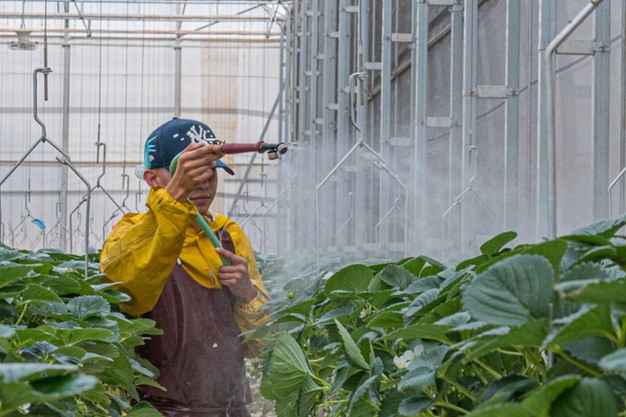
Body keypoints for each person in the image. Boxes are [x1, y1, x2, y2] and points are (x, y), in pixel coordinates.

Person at [99, 117, 271, 417]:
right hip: (158, 410)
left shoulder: (229, 236)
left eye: (210, 172)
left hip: (230, 410)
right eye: (190, 173)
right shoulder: (132, 234)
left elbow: (259, 343)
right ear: (152, 179)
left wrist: (247, 293)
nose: (203, 183)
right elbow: (128, 296)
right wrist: (174, 199)